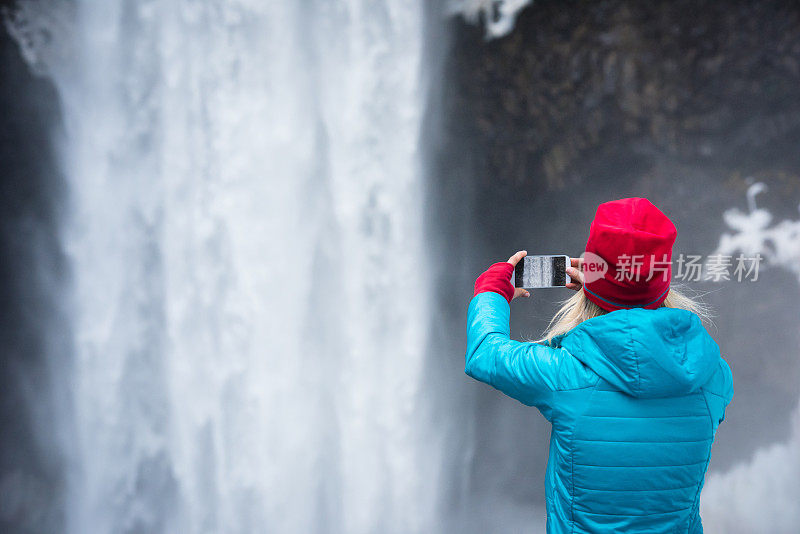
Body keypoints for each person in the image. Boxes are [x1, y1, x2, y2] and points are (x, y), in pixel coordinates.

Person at [466, 197, 733, 533]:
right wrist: (609, 290)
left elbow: (484, 352)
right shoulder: (714, 377)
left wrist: (493, 288)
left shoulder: (564, 373)